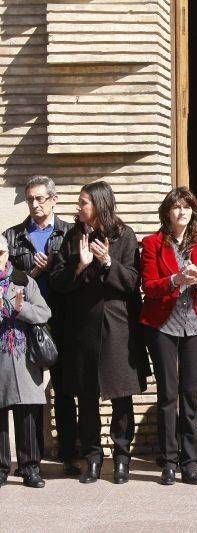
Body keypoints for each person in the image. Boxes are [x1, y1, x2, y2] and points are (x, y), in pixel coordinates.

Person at [50, 181, 148, 485]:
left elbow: (132, 282)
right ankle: (93, 457)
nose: (78, 208)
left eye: (84, 203)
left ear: (100, 205)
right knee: (87, 396)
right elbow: (57, 282)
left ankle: (121, 458)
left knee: (121, 396)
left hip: (118, 327)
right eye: (79, 203)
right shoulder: (73, 236)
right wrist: (80, 266)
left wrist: (107, 261)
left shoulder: (124, 235)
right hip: (82, 328)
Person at [140, 188, 197, 485]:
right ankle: (168, 461)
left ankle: (190, 462)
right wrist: (175, 279)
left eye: (186, 207)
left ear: (193, 212)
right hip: (162, 324)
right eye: (176, 207)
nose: (181, 212)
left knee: (189, 393)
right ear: (167, 213)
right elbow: (149, 285)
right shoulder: (152, 243)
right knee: (167, 394)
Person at [3, 175, 78, 475]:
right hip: (24, 326)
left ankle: (69, 452)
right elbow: (6, 275)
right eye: (30, 199)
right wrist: (31, 272)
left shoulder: (70, 233)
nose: (35, 204)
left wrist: (56, 267)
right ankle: (28, 462)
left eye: (40, 198)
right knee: (26, 396)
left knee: (63, 389)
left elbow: (78, 275)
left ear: (54, 199)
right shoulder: (12, 236)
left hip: (62, 321)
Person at [0, 234, 52, 489]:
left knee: (27, 413)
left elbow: (44, 312)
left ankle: (29, 467)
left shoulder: (23, 280)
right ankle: (1, 468)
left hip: (22, 357)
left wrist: (21, 310)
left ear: (7, 253)